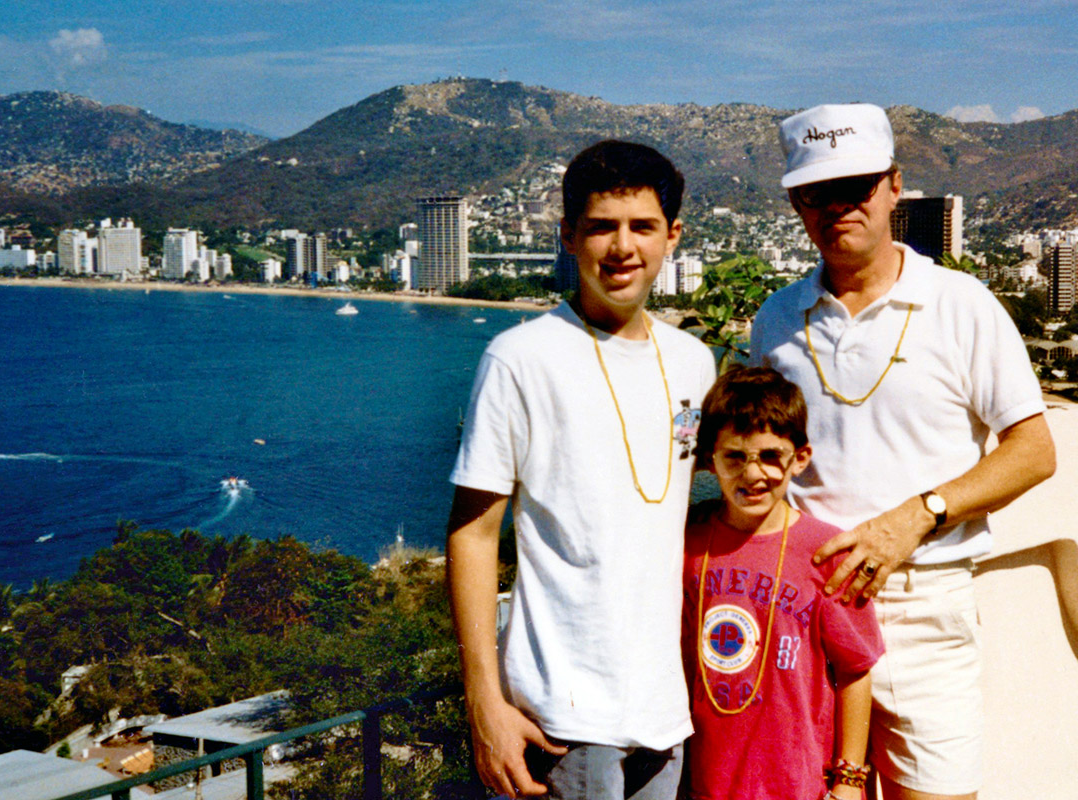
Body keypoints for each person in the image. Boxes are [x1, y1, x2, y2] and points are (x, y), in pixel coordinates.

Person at [751, 103, 1056, 800]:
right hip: (808, 610)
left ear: (894, 186)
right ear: (797, 203)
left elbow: (1035, 450)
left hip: (926, 607)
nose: (837, 208)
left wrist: (919, 515)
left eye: (855, 188)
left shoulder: (962, 305)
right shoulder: (775, 318)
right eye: (815, 194)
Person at [447, 139, 716, 799]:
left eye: (642, 227)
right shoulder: (520, 358)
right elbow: (473, 534)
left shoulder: (692, 362)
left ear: (672, 236)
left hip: (663, 712)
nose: (622, 247)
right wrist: (484, 702)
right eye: (601, 227)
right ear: (569, 235)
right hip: (561, 718)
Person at [681, 366, 883, 800]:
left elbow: (856, 669)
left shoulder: (826, 552)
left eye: (770, 456)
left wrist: (849, 780)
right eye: (735, 456)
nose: (753, 474)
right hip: (707, 781)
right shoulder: (690, 544)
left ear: (800, 458)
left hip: (798, 783)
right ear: (709, 460)